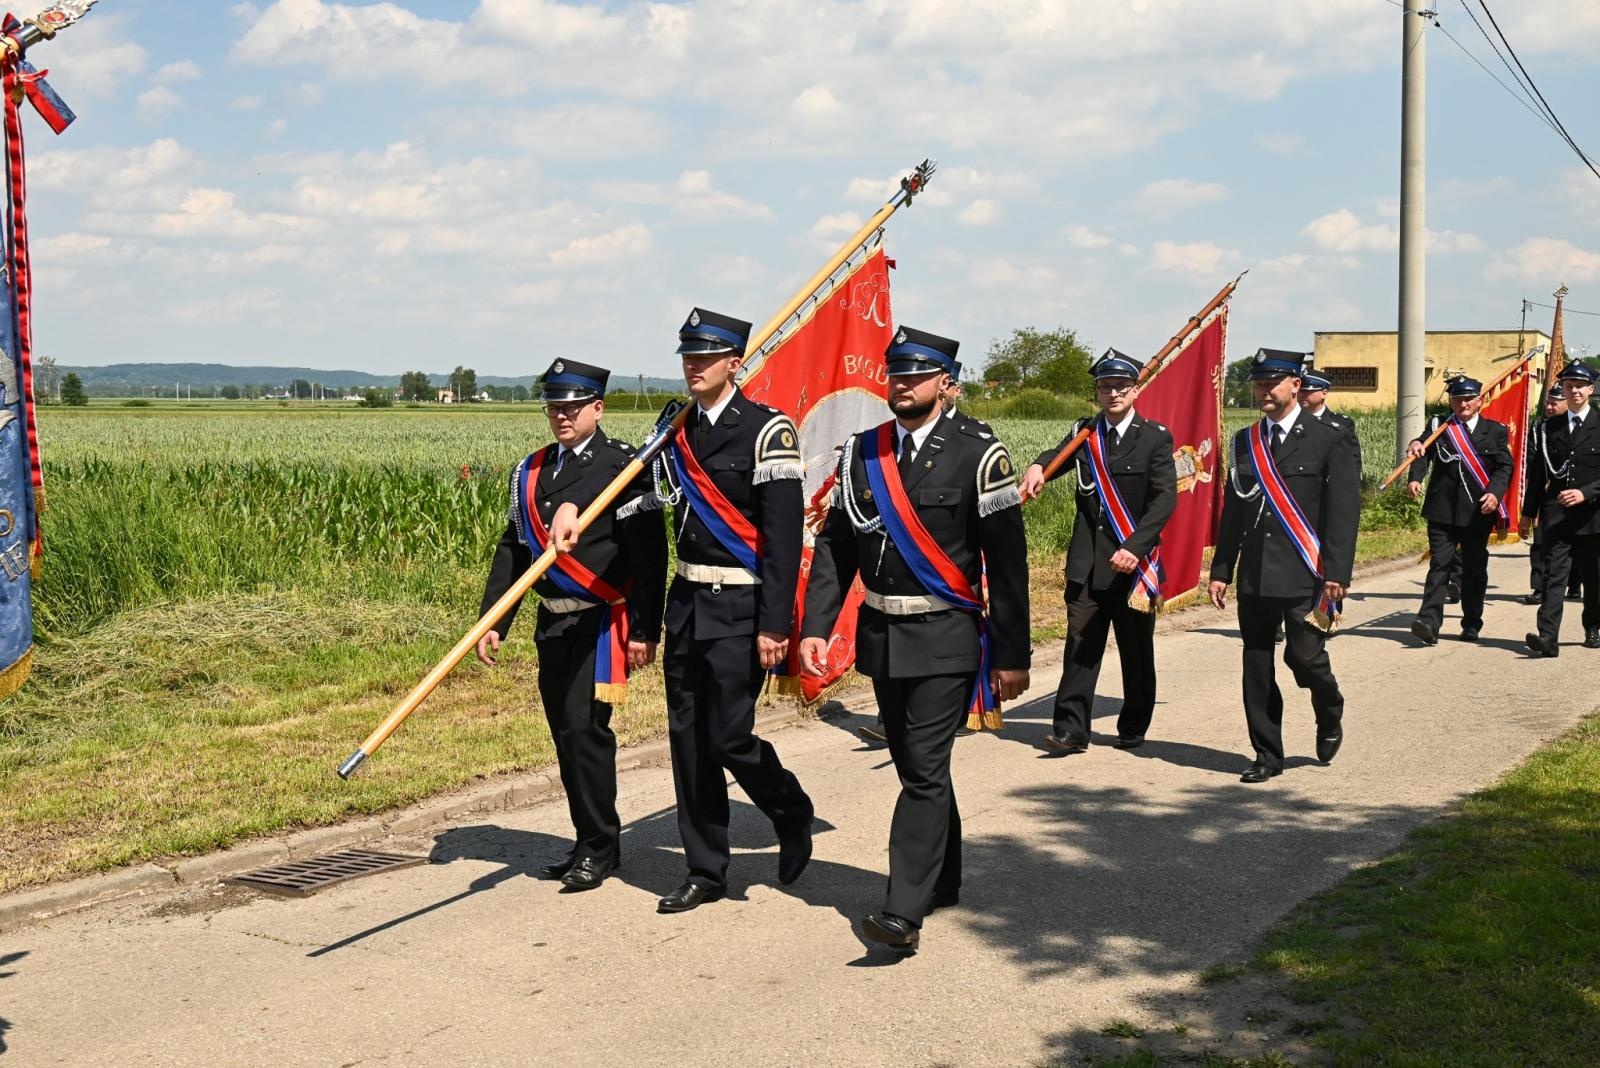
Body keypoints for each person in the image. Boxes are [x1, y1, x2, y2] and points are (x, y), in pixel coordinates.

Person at [801, 325, 1030, 951]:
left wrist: (1012, 655)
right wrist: (817, 626)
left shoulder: (980, 454)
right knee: (916, 764)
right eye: (895, 372)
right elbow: (837, 546)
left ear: (945, 384)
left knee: (923, 771)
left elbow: (1007, 567)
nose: (903, 383)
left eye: (917, 374)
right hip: (883, 633)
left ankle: (903, 911)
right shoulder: (862, 452)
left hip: (947, 634)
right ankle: (945, 876)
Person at [627, 307, 815, 913]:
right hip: (687, 604)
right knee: (689, 742)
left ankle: (790, 811)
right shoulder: (672, 429)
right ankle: (706, 870)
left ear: (735, 363)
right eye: (688, 356)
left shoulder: (767, 432)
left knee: (731, 738)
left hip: (741, 605)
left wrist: (774, 624)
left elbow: (783, 539)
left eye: (706, 357)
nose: (694, 366)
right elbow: (642, 507)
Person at [476, 358, 667, 891]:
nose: (562, 415)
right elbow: (513, 549)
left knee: (586, 734)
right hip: (551, 623)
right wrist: (494, 620)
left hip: (601, 625)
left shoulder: (626, 465)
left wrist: (648, 630)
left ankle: (600, 849)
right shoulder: (533, 470)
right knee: (565, 736)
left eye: (573, 406)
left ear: (597, 409)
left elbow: (650, 557)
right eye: (554, 406)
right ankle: (588, 839)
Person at [1208, 348, 1360, 783]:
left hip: (1306, 571)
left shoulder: (1331, 436)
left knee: (1304, 658)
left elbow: (1343, 511)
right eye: (1258, 383)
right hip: (1255, 571)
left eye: (1272, 382)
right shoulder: (1244, 441)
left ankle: (1329, 707)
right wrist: (1222, 569)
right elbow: (1234, 512)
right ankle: (1267, 754)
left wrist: (1338, 573)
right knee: (1256, 663)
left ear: (1296, 384)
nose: (1264, 391)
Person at [1020, 349, 1176, 754]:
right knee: (1080, 646)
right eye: (1106, 387)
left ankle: (1134, 722)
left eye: (1121, 386)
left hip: (1132, 565)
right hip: (1088, 563)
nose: (1113, 393)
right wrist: (1038, 466)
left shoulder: (1155, 437)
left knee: (1135, 650)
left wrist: (1135, 548)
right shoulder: (1086, 433)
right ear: (1098, 391)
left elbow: (1163, 501)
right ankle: (1071, 730)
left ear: (1135, 389)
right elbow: (1057, 456)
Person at [1404, 376, 1512, 645]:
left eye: (1468, 399)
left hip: (1477, 512)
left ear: (1479, 400)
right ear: (1450, 401)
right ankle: (1429, 622)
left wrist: (1495, 494)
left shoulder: (1495, 431)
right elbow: (1422, 450)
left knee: (1474, 568)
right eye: (1457, 399)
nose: (1463, 404)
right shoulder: (1439, 425)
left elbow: (1504, 467)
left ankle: (1472, 622)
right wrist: (1415, 477)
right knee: (1440, 564)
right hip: (1442, 510)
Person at [1521, 362, 1600, 657]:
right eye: (1569, 386)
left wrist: (1585, 493)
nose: (1574, 390)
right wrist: (1528, 512)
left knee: (1593, 578)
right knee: (1554, 575)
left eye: (1580, 386)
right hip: (1556, 515)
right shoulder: (1547, 427)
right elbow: (1538, 474)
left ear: (1591, 390)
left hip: (1593, 517)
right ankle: (1548, 636)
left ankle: (1593, 626)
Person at [1522, 384, 1568, 605]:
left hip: (1572, 491)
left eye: (1554, 402)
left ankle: (1574, 583)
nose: (1549, 407)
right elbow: (1532, 454)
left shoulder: (1576, 425)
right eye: (1547, 402)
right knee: (1541, 541)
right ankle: (1539, 587)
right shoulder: (1538, 426)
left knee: (1575, 545)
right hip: (1544, 490)